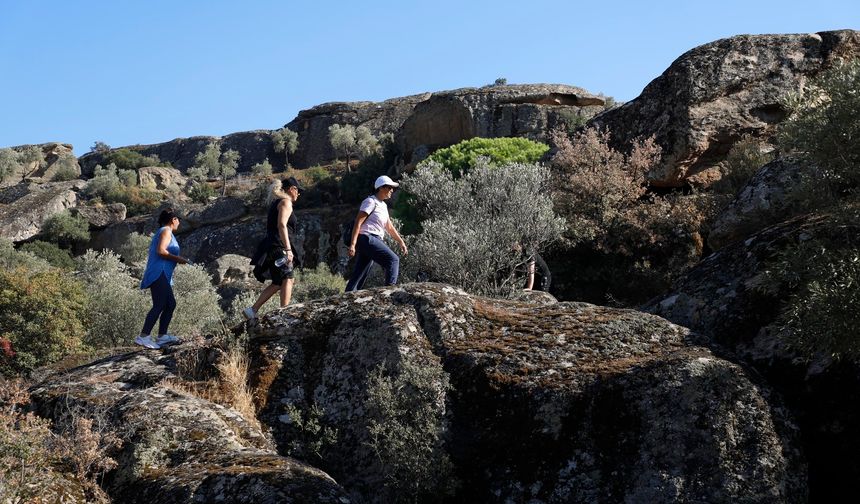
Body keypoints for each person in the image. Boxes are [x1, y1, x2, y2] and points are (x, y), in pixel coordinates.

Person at [244, 176, 303, 320]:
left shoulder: (277, 203)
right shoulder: (285, 202)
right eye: (298, 191)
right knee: (288, 278)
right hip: (279, 246)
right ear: (292, 189)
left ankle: (252, 310)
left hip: (272, 246)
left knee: (278, 281)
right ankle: (284, 312)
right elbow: (281, 225)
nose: (299, 194)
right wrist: (288, 250)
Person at [136, 208, 191, 349]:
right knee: (159, 304)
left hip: (164, 275)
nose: (179, 222)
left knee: (170, 304)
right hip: (158, 272)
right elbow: (161, 251)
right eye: (178, 219)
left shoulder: (168, 232)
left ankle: (162, 336)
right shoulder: (166, 231)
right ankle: (143, 337)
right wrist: (179, 259)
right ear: (173, 219)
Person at [345, 175, 408, 291]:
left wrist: (401, 241)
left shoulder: (383, 205)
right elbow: (358, 223)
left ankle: (348, 296)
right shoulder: (370, 201)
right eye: (389, 188)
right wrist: (353, 244)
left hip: (373, 240)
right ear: (381, 188)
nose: (392, 190)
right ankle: (390, 292)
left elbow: (389, 227)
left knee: (360, 272)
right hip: (367, 238)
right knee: (393, 260)